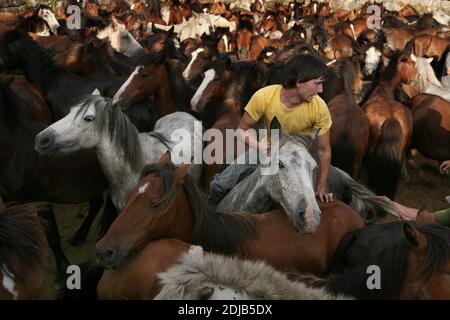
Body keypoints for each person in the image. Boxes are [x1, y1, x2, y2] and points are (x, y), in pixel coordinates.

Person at [208, 53, 333, 206]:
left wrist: (321, 186)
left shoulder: (319, 108)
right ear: (300, 82)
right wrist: (260, 147)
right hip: (266, 150)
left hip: (299, 159)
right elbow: (242, 130)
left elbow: (324, 150)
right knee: (220, 184)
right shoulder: (264, 96)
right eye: (317, 83)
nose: (321, 90)